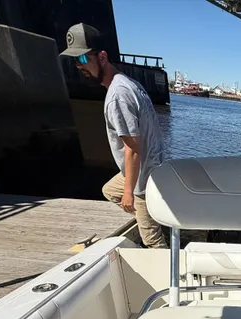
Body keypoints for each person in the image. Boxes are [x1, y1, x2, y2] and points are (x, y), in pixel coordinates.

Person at [60, 23, 167, 248]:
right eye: (74, 60)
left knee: (153, 241)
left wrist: (129, 192)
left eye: (82, 59)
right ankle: (150, 215)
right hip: (150, 168)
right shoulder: (131, 84)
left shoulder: (117, 96)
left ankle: (173, 278)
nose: (79, 66)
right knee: (109, 190)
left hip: (143, 180)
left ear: (102, 57)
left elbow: (133, 147)